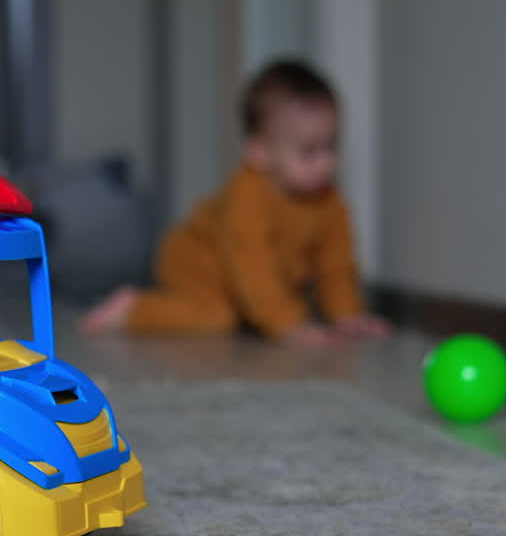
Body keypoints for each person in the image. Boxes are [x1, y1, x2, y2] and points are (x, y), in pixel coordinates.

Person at [81, 59, 389, 347]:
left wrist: (346, 314)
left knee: (261, 309)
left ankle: (267, 311)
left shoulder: (328, 201)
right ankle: (133, 308)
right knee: (220, 318)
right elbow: (251, 266)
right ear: (260, 152)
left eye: (331, 147)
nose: (325, 164)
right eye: (309, 152)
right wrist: (285, 324)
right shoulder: (248, 195)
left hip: (243, 279)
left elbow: (336, 264)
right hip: (196, 264)